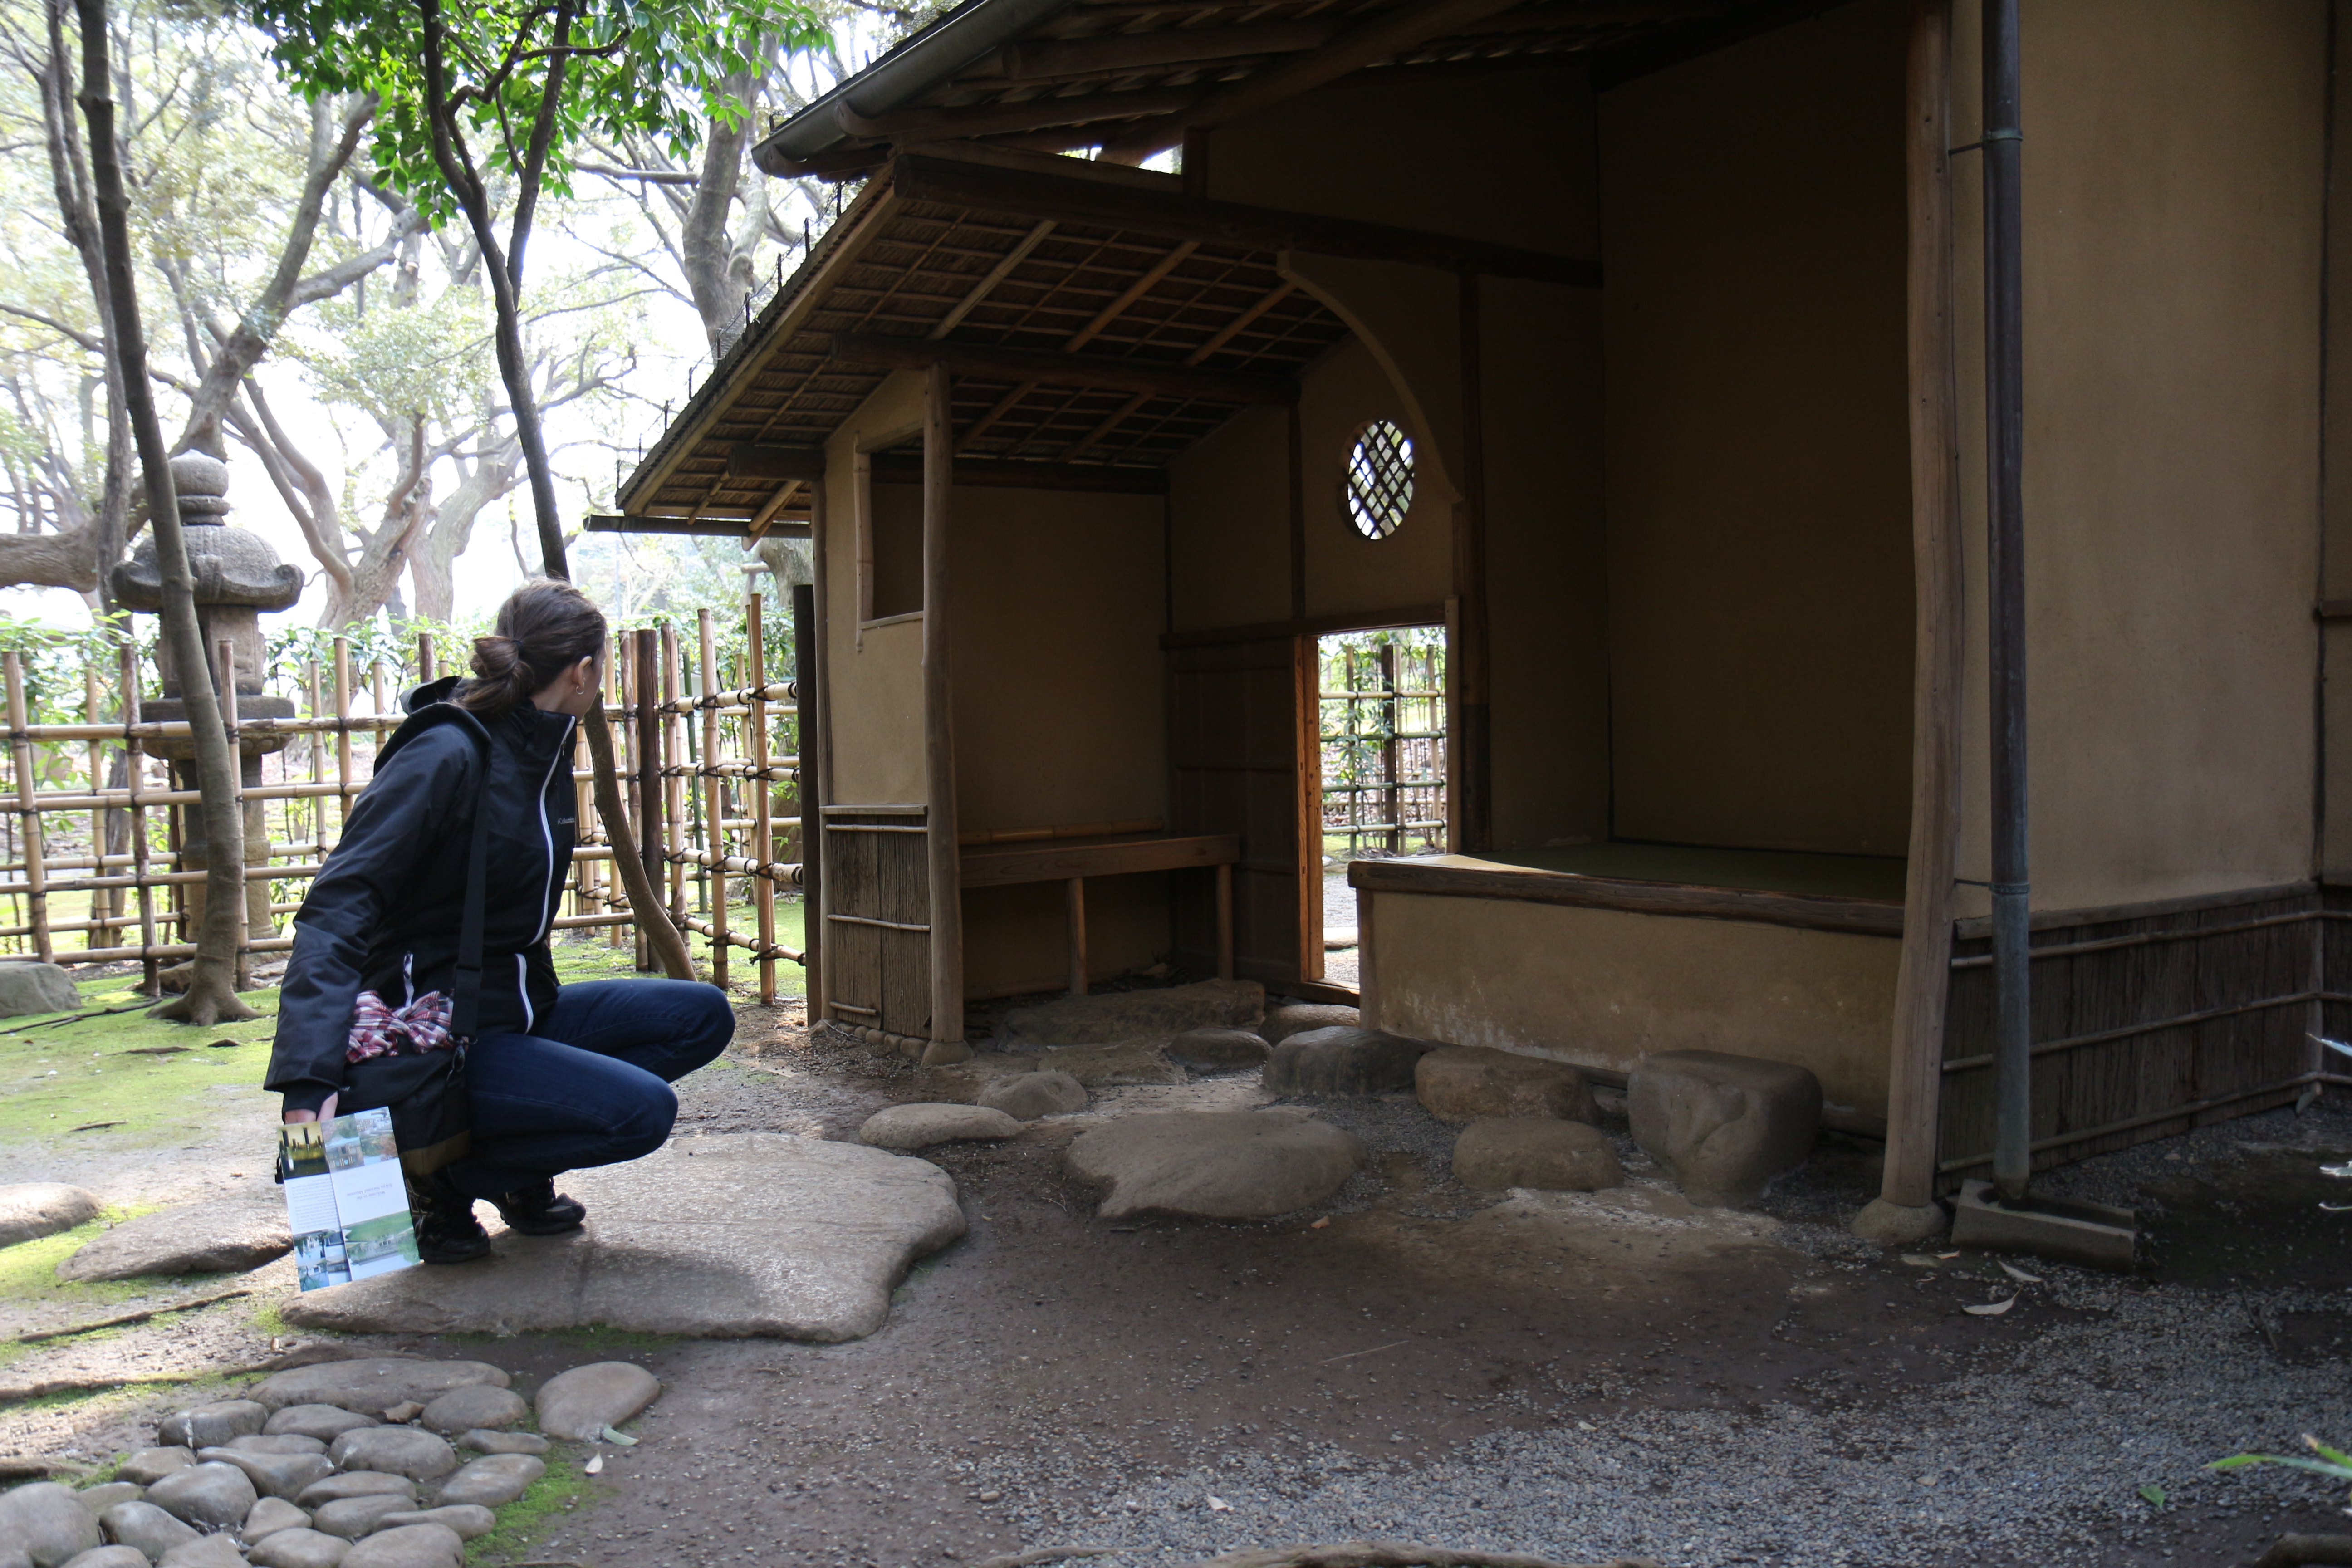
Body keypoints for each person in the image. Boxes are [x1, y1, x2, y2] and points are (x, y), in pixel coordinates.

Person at [265, 581, 732, 1263]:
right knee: (641, 1112)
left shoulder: (541, 745)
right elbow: (340, 903)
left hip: (508, 1012)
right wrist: (308, 1077)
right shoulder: (447, 752)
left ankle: (510, 1173)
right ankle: (434, 1185)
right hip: (427, 1030)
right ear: (581, 673)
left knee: (700, 1015)